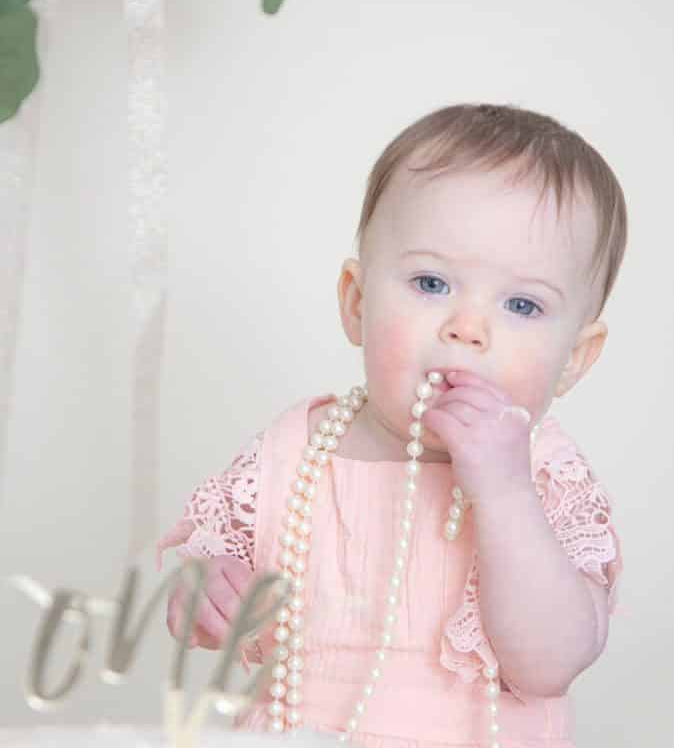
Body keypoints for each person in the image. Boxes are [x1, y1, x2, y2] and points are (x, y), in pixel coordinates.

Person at [157, 103, 626, 747]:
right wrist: (206, 594)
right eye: (431, 282)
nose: (468, 327)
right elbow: (212, 579)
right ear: (356, 302)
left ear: (574, 358)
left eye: (522, 304)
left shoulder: (545, 476)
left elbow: (549, 665)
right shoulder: (295, 452)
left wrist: (503, 489)